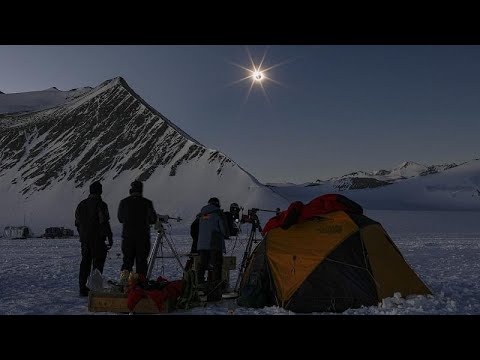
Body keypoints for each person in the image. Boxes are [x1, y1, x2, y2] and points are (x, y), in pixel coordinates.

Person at [75, 181, 113, 297]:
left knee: (85, 263)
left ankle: (82, 288)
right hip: (97, 239)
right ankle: (95, 289)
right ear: (99, 191)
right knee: (98, 263)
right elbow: (104, 222)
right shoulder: (101, 204)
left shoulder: (81, 205)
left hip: (85, 240)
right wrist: (109, 237)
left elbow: (77, 222)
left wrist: (82, 235)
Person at [117, 180, 157, 281]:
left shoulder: (124, 202)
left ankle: (124, 285)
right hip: (143, 238)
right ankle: (141, 286)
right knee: (141, 263)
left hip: (127, 238)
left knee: (127, 262)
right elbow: (153, 219)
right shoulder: (147, 203)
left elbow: (120, 218)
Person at [197, 197, 228, 300]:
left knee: (202, 265)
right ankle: (214, 290)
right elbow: (224, 230)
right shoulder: (218, 213)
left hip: (202, 245)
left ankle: (199, 286)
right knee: (216, 266)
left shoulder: (201, 215)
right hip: (214, 244)